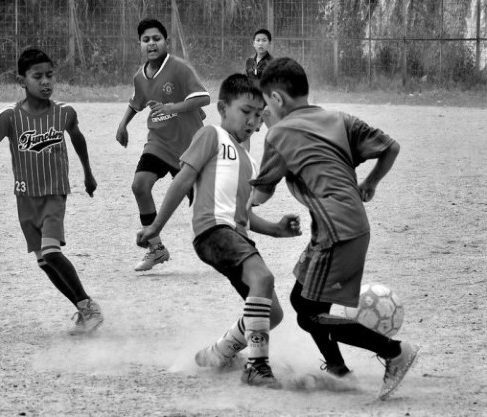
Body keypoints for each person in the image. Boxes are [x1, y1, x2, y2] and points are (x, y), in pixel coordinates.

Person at [251, 57, 419, 400]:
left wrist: (233, 202)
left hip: (337, 231)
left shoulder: (280, 133)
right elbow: (391, 147)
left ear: (278, 99)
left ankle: (396, 352)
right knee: (302, 300)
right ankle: (339, 370)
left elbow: (262, 193)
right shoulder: (339, 119)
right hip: (345, 226)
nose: (264, 111)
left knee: (309, 316)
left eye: (266, 103)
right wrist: (370, 182)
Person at [136, 74, 302, 389]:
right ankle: (256, 366)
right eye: (246, 111)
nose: (253, 120)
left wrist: (277, 230)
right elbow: (182, 180)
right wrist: (156, 226)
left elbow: (244, 215)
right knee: (263, 279)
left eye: (259, 114)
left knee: (273, 314)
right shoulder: (211, 135)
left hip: (235, 235)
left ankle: (219, 352)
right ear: (223, 108)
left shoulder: (249, 163)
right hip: (212, 231)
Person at [0, 49, 103, 335]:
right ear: (22, 80)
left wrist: (88, 174)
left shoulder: (64, 113)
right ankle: (84, 308)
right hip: (25, 198)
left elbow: (78, 139)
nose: (46, 82)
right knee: (45, 262)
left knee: (51, 252)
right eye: (37, 76)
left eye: (50, 75)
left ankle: (89, 306)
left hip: (55, 193)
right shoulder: (9, 117)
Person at [116, 18, 210, 272]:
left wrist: (173, 107)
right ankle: (155, 249)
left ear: (166, 42)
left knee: (203, 209)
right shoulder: (140, 76)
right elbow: (136, 102)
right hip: (158, 142)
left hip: (189, 146)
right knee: (139, 185)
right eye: (146, 40)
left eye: (156, 39)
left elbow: (204, 97)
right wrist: (123, 125)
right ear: (139, 45)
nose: (151, 44)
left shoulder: (179, 68)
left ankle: (228, 244)